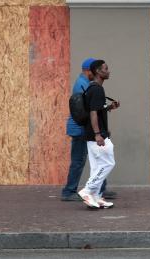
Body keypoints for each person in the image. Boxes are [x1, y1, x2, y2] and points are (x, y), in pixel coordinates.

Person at [61, 58, 116, 201]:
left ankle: (100, 189)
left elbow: (95, 109)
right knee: (79, 161)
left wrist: (108, 108)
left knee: (98, 160)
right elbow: (88, 111)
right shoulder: (82, 85)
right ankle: (69, 191)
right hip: (80, 129)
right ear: (88, 71)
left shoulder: (88, 84)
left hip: (86, 128)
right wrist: (98, 132)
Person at [78, 60, 119, 209]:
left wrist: (109, 107)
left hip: (93, 135)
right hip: (97, 136)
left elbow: (98, 109)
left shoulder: (93, 89)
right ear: (97, 71)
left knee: (96, 168)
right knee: (108, 163)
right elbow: (93, 113)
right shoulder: (97, 90)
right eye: (105, 69)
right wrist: (97, 134)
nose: (108, 71)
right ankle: (87, 191)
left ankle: (95, 197)